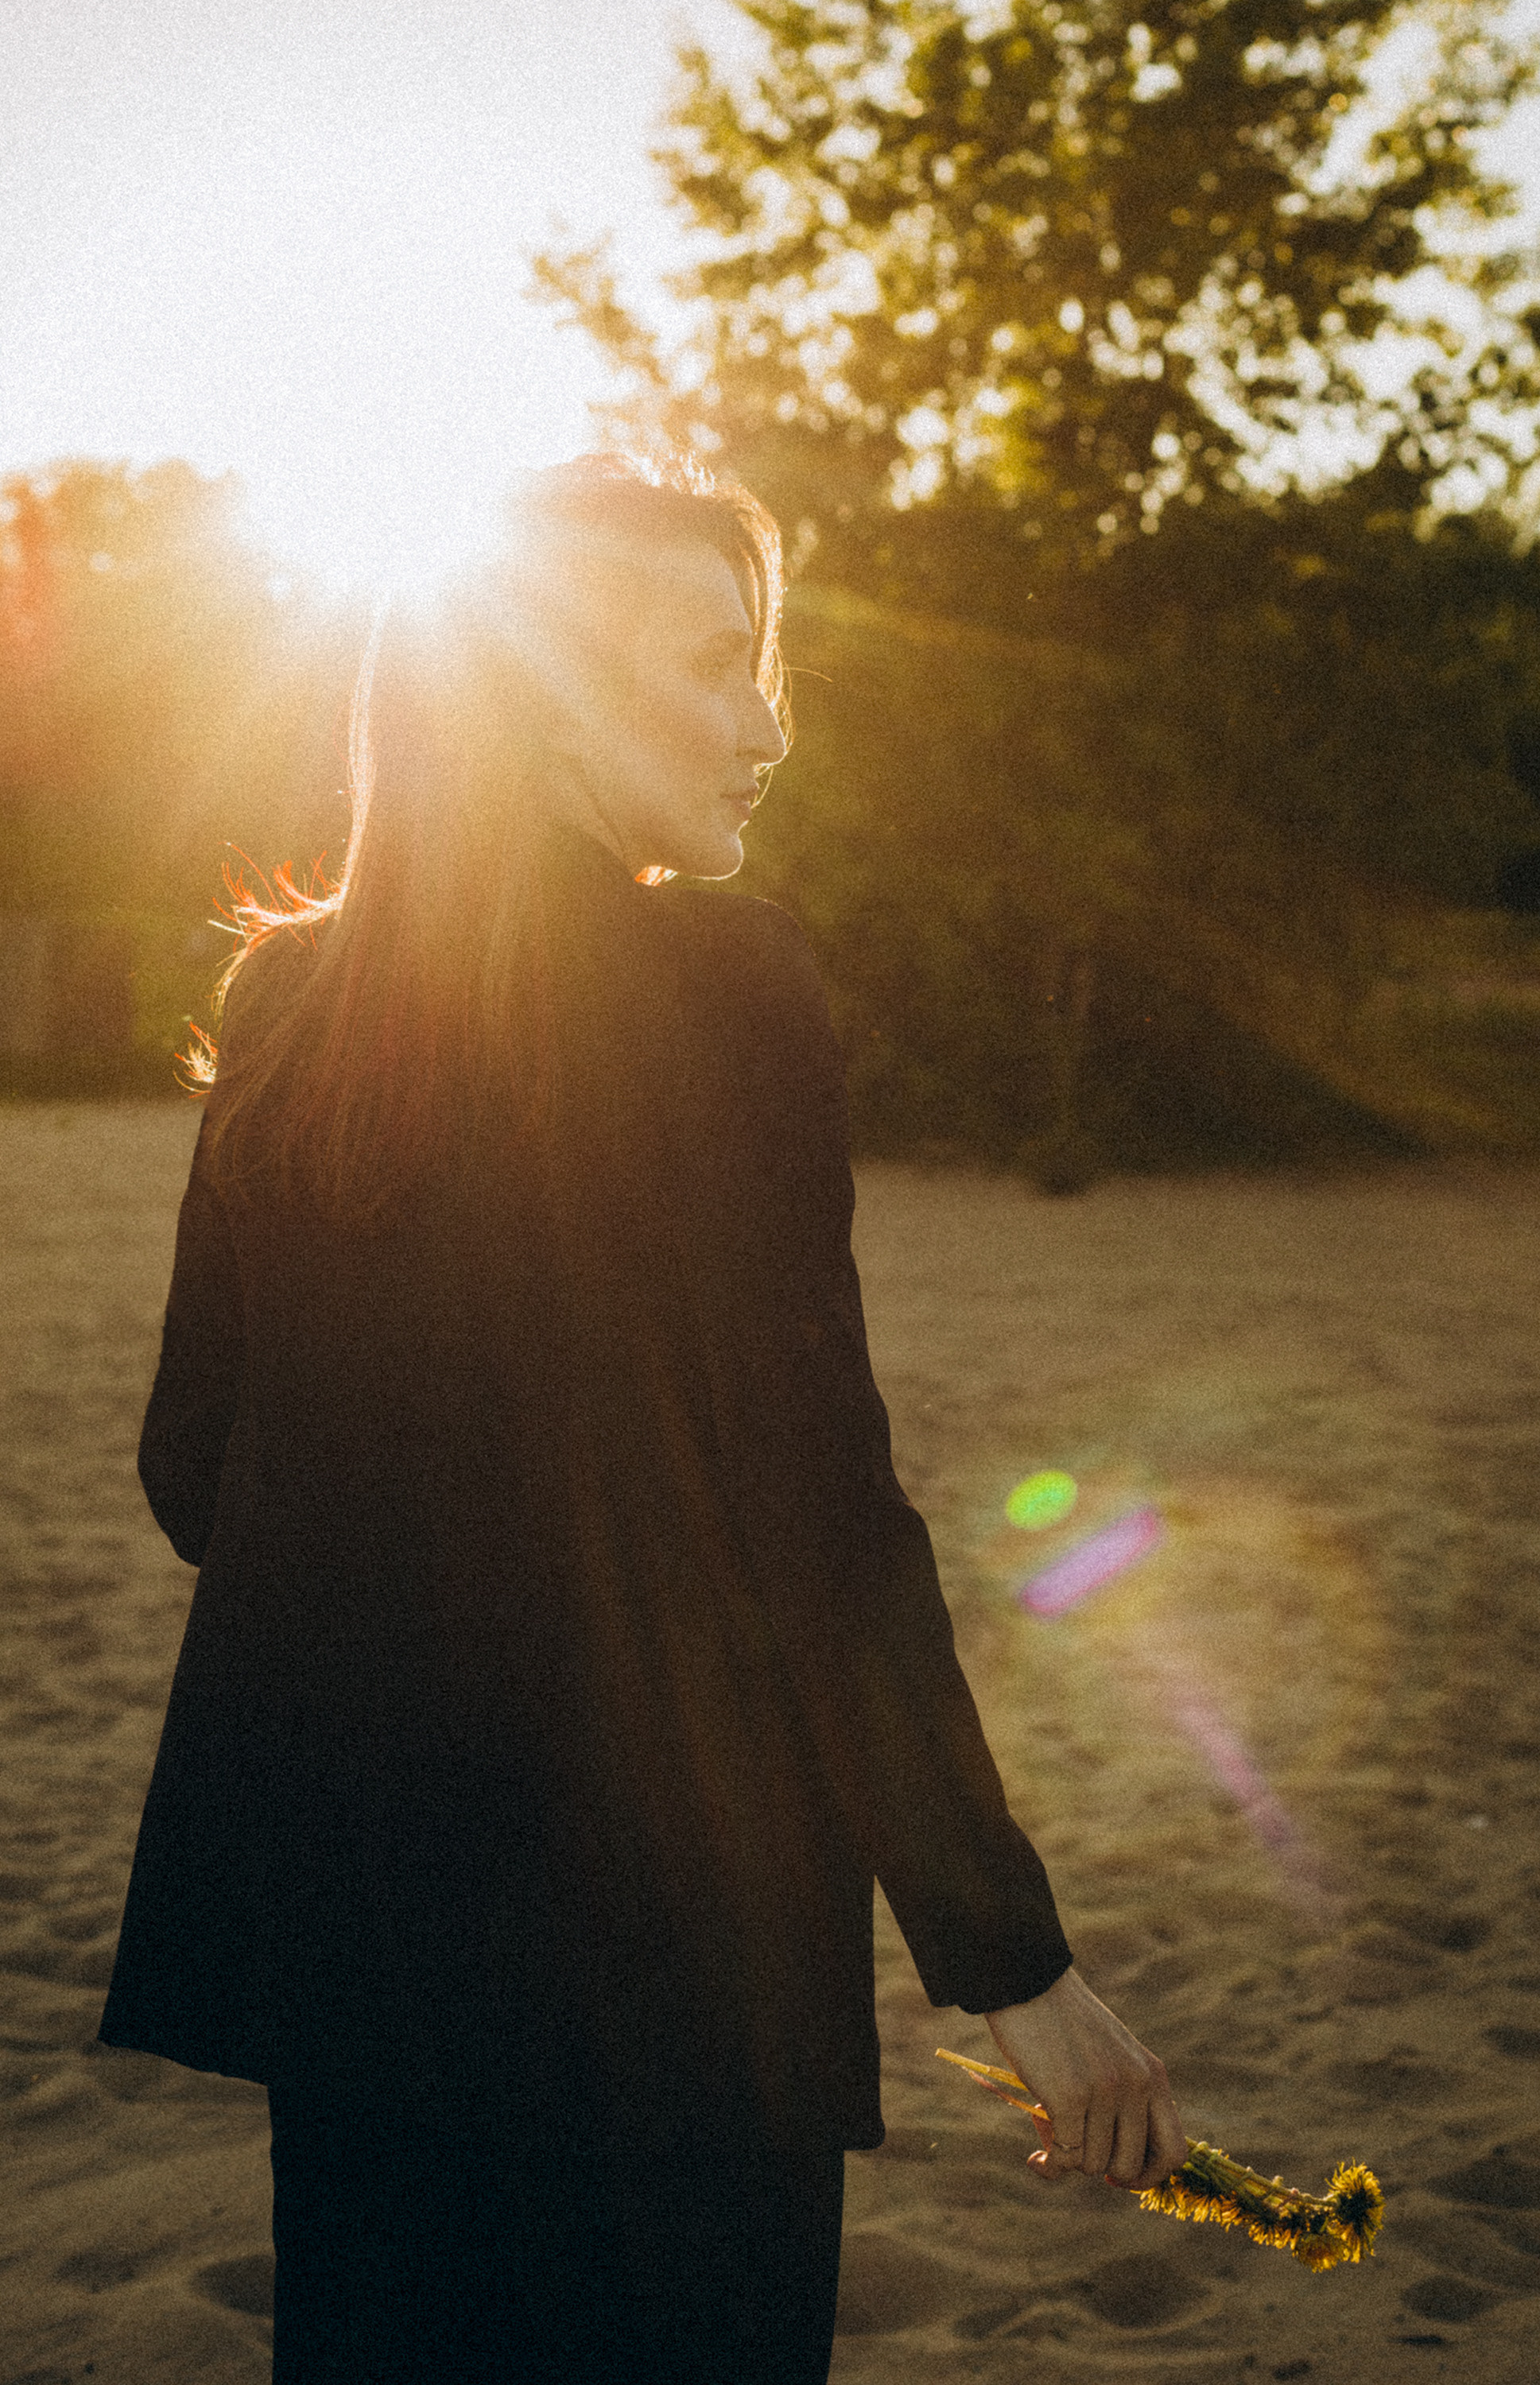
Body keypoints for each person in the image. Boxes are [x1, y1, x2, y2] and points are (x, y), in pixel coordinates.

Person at [101, 451, 1185, 2383]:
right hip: (678, 1955)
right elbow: (815, 1514)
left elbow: (199, 1467)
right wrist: (1009, 1964)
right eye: (708, 663)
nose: (767, 724)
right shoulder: (726, 988)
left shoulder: (285, 1000)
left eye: (764, 663)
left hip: (356, 1933)